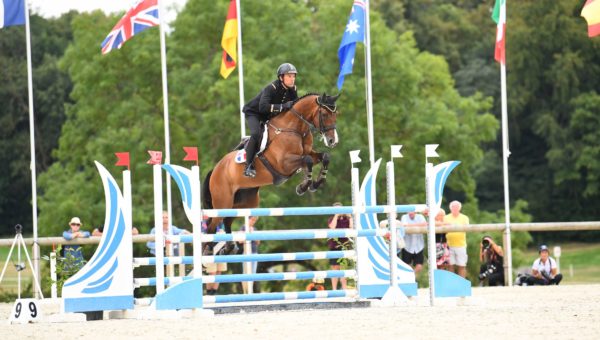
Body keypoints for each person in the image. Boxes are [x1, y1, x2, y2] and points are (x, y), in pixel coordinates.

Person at [241, 63, 299, 177]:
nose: (292, 79)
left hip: (269, 115)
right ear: (281, 77)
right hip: (254, 113)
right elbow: (263, 107)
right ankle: (248, 166)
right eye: (289, 76)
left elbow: (294, 108)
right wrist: (282, 107)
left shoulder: (293, 89)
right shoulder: (271, 88)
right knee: (256, 133)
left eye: (293, 76)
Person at [327, 202, 353, 290]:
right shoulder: (331, 219)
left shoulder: (347, 219)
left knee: (344, 268)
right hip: (334, 246)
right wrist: (336, 216)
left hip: (345, 246)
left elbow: (352, 227)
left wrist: (350, 216)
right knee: (335, 268)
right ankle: (334, 289)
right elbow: (332, 227)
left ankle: (344, 289)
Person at [443, 200, 470, 278]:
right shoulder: (445, 217)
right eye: (453, 207)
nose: (455, 209)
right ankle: (452, 283)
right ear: (450, 208)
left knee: (462, 265)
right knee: (450, 265)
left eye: (456, 207)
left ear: (459, 208)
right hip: (448, 245)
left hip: (461, 245)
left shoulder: (465, 218)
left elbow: (467, 228)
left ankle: (462, 283)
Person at [202, 216, 227, 295]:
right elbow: (204, 232)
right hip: (210, 249)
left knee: (219, 271)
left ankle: (214, 291)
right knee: (212, 272)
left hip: (221, 249)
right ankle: (209, 292)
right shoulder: (205, 222)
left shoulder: (223, 223)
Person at [399, 211, 427, 276]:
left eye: (412, 212)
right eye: (409, 212)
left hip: (419, 245)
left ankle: (412, 276)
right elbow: (404, 225)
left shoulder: (420, 216)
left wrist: (410, 225)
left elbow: (425, 224)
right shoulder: (404, 217)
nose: (410, 213)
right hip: (407, 245)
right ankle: (410, 277)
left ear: (415, 212)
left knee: (419, 266)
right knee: (406, 265)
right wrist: (418, 225)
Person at [239, 216, 261, 294]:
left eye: (255, 220)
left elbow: (258, 242)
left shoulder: (254, 229)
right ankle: (245, 292)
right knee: (245, 273)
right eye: (252, 220)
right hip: (246, 253)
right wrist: (247, 234)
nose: (253, 222)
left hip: (254, 252)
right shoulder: (243, 228)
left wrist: (252, 234)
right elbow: (240, 241)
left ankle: (250, 291)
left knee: (253, 273)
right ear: (248, 219)